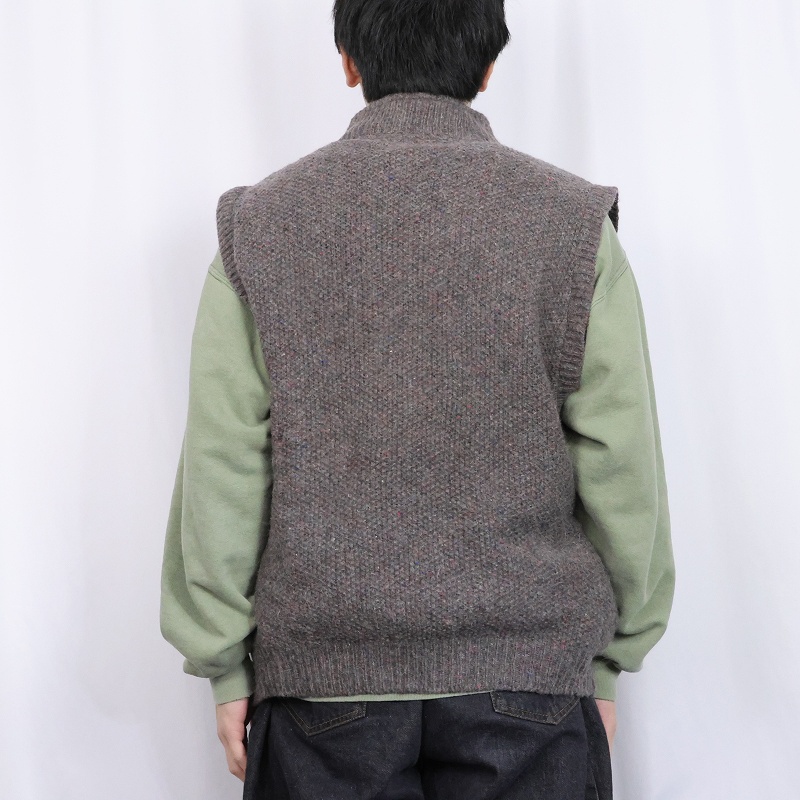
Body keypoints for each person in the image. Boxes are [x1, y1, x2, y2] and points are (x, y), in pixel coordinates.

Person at [159, 1, 675, 797]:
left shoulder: (260, 226)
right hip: (531, 679)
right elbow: (622, 463)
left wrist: (224, 662)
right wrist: (607, 662)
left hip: (324, 683)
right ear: (489, 65)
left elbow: (225, 459)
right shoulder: (572, 228)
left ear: (347, 59)